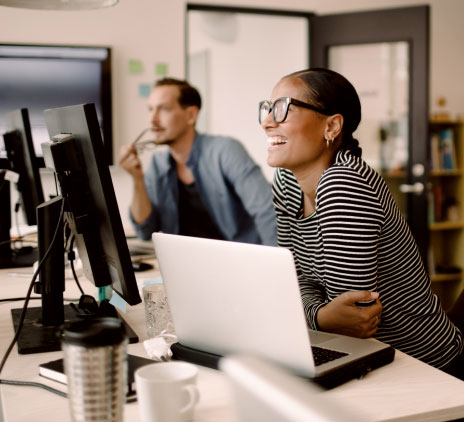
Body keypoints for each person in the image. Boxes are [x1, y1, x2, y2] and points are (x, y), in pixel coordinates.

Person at [259, 68, 464, 379]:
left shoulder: (345, 184)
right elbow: (294, 280)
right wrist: (321, 315)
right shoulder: (287, 181)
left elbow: (356, 319)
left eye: (282, 108)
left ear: (332, 125)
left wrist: (311, 311)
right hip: (365, 356)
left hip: (424, 365)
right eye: (267, 107)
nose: (267, 121)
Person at [120, 77, 277, 246]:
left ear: (191, 115)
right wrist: (137, 180)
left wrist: (275, 266)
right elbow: (144, 231)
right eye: (150, 109)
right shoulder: (158, 165)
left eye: (164, 109)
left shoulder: (225, 151)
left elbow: (266, 211)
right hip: (186, 263)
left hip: (236, 261)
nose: (153, 120)